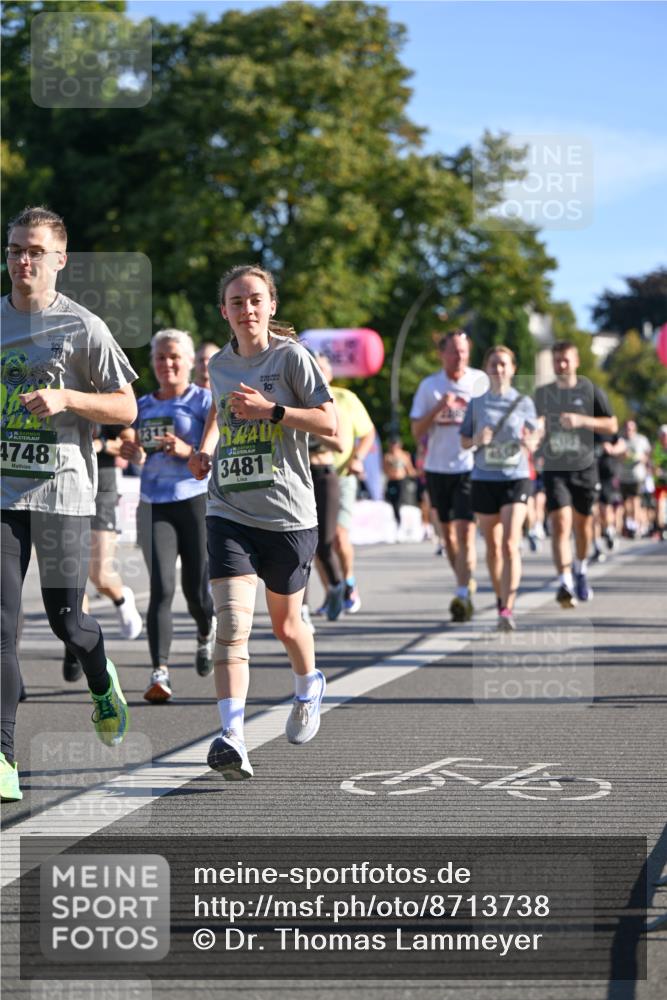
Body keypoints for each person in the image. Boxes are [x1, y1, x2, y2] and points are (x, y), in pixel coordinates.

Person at [1, 206, 137, 802]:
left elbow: (127, 408)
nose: (21, 260)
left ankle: (101, 677)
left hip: (62, 490)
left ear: (59, 259)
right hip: (3, 493)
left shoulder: (84, 328)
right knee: (0, 626)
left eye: (33, 250)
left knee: (68, 621)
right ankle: (2, 755)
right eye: (12, 250)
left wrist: (66, 398)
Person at [188, 265, 336, 780]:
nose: (245, 309)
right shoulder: (219, 365)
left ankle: (308, 684)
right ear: (224, 311)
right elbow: (218, 411)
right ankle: (232, 736)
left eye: (255, 300)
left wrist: (272, 411)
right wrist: (206, 450)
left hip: (289, 514)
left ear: (271, 305)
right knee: (231, 624)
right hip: (228, 507)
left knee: (286, 624)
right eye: (235, 302)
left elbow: (329, 422)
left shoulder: (292, 358)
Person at [120, 329, 216, 703]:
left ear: (190, 362)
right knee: (161, 587)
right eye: (160, 357)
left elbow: (214, 454)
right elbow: (136, 450)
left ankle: (206, 631)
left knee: (196, 590)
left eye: (174, 356)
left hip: (194, 501)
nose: (167, 364)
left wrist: (185, 449)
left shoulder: (205, 400)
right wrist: (133, 451)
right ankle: (159, 672)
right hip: (153, 503)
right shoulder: (142, 405)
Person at [410, 330, 488, 621]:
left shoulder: (479, 382)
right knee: (449, 538)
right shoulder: (429, 386)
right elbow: (417, 432)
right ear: (442, 354)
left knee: (466, 532)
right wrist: (439, 408)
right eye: (454, 351)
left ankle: (461, 595)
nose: (460, 356)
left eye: (464, 351)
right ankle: (464, 581)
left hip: (469, 467)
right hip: (436, 468)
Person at [460, 346, 541, 630]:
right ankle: (499, 598)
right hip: (484, 478)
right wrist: (478, 439)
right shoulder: (477, 403)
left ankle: (508, 607)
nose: (499, 369)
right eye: (494, 364)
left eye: (504, 364)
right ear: (486, 368)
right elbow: (464, 442)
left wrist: (532, 442)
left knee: (509, 543)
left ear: (513, 368)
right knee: (493, 548)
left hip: (515, 476)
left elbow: (536, 433)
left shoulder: (524, 403)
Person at [534, 341, 617, 607]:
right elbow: (534, 426)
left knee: (583, 527)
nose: (561, 365)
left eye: (565, 360)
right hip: (555, 468)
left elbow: (611, 425)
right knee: (560, 524)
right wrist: (535, 434)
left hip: (585, 468)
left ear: (576, 361)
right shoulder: (543, 393)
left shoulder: (590, 390)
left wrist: (583, 421)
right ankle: (564, 582)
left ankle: (580, 568)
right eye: (556, 360)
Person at [61, 423, 143, 682]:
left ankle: (121, 598)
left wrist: (104, 445)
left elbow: (130, 445)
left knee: (99, 574)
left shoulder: (107, 400)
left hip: (102, 493)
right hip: (67, 493)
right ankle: (74, 645)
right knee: (74, 576)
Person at [313, 354, 375, 614]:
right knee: (315, 540)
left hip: (342, 473)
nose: (318, 372)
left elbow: (368, 432)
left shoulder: (345, 398)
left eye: (322, 368)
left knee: (338, 535)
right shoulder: (302, 400)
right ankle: (331, 592)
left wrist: (358, 458)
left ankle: (348, 582)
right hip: (310, 473)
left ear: (330, 373)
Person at [617, 418, 651, 538]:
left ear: (635, 429)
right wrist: (622, 455)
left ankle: (636, 527)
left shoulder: (641, 440)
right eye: (627, 428)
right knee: (625, 504)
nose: (629, 430)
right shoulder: (620, 440)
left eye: (631, 428)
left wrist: (640, 458)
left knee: (636, 502)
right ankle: (629, 525)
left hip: (637, 476)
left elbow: (647, 455)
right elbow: (614, 454)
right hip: (623, 476)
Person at [383, 438, 417, 526]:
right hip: (392, 481)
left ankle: (403, 522)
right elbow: (384, 470)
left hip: (402, 481)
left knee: (400, 500)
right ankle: (397, 520)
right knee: (392, 501)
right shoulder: (387, 456)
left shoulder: (404, 455)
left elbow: (409, 469)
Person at [650, 424, 667, 539]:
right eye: (662, 435)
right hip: (660, 482)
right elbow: (653, 465)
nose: (664, 438)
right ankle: (662, 529)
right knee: (659, 506)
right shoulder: (656, 448)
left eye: (665, 435)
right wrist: (656, 471)